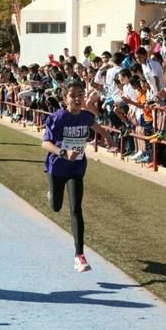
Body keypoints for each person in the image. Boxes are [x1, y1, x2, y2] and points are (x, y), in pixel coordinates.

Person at [41, 80, 113, 272]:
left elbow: (96, 126)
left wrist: (108, 137)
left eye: (81, 95)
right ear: (65, 99)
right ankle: (52, 194)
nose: (77, 99)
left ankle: (79, 255)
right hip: (57, 168)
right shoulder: (58, 118)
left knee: (76, 209)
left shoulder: (86, 117)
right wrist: (63, 153)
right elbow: (45, 144)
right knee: (56, 207)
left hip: (76, 169)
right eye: (73, 95)